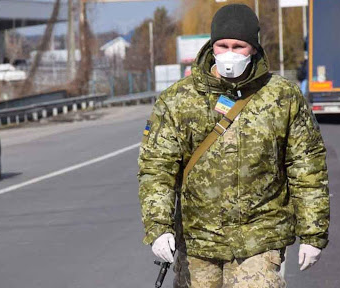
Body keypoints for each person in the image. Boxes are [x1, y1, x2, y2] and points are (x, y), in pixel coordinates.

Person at [138, 4, 329, 288]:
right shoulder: (178, 99)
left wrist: (313, 233)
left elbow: (306, 166)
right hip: (197, 242)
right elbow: (157, 168)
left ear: (253, 48)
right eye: (222, 45)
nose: (229, 53)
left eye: (238, 46)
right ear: (211, 46)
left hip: (260, 238)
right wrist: (159, 227)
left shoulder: (281, 97)